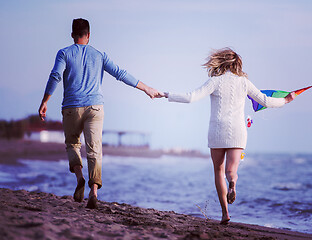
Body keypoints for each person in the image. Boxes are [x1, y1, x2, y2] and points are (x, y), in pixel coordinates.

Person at [38, 18, 163, 209]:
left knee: (72, 144)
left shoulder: (64, 53)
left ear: (72, 35)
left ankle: (80, 178)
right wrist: (146, 88)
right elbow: (120, 74)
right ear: (89, 35)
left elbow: (55, 76)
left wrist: (45, 101)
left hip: (71, 107)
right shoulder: (99, 55)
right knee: (94, 149)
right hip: (95, 108)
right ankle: (93, 191)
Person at [164, 48, 295, 224]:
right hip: (238, 131)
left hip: (217, 132)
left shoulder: (214, 81)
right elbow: (265, 100)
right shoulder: (244, 82)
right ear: (237, 64)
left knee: (218, 170)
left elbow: (191, 97)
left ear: (221, 62)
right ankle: (232, 182)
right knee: (231, 170)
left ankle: (225, 213)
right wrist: (286, 100)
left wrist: (166, 94)